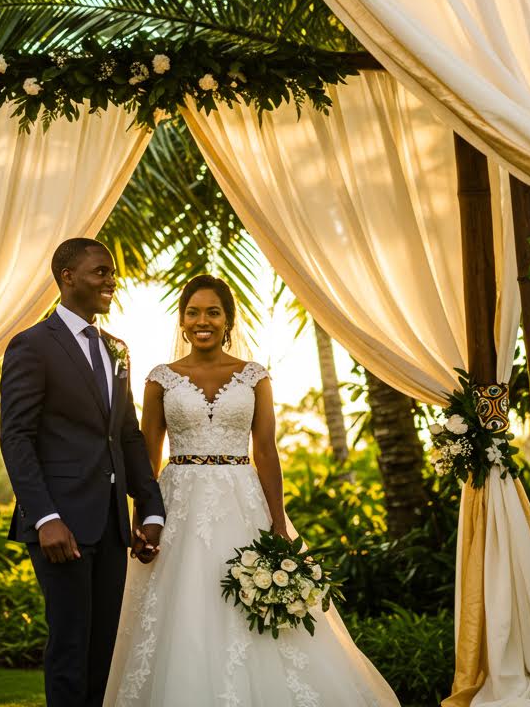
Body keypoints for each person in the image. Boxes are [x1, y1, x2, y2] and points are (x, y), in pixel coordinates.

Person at [104, 274, 400, 707]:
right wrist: (143, 517)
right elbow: (149, 455)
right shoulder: (160, 378)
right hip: (178, 498)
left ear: (228, 320)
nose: (201, 320)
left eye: (212, 312)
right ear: (182, 321)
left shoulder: (253, 376)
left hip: (242, 500)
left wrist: (278, 521)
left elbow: (266, 451)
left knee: (250, 601)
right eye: (193, 312)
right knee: (178, 608)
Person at [1, 237, 165, 707]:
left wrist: (150, 508)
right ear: (67, 277)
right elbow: (16, 438)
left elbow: (127, 435)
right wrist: (45, 517)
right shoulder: (32, 345)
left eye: (112, 273)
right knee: (71, 649)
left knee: (103, 655)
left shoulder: (118, 350)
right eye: (101, 271)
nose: (110, 281)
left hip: (112, 526)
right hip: (61, 526)